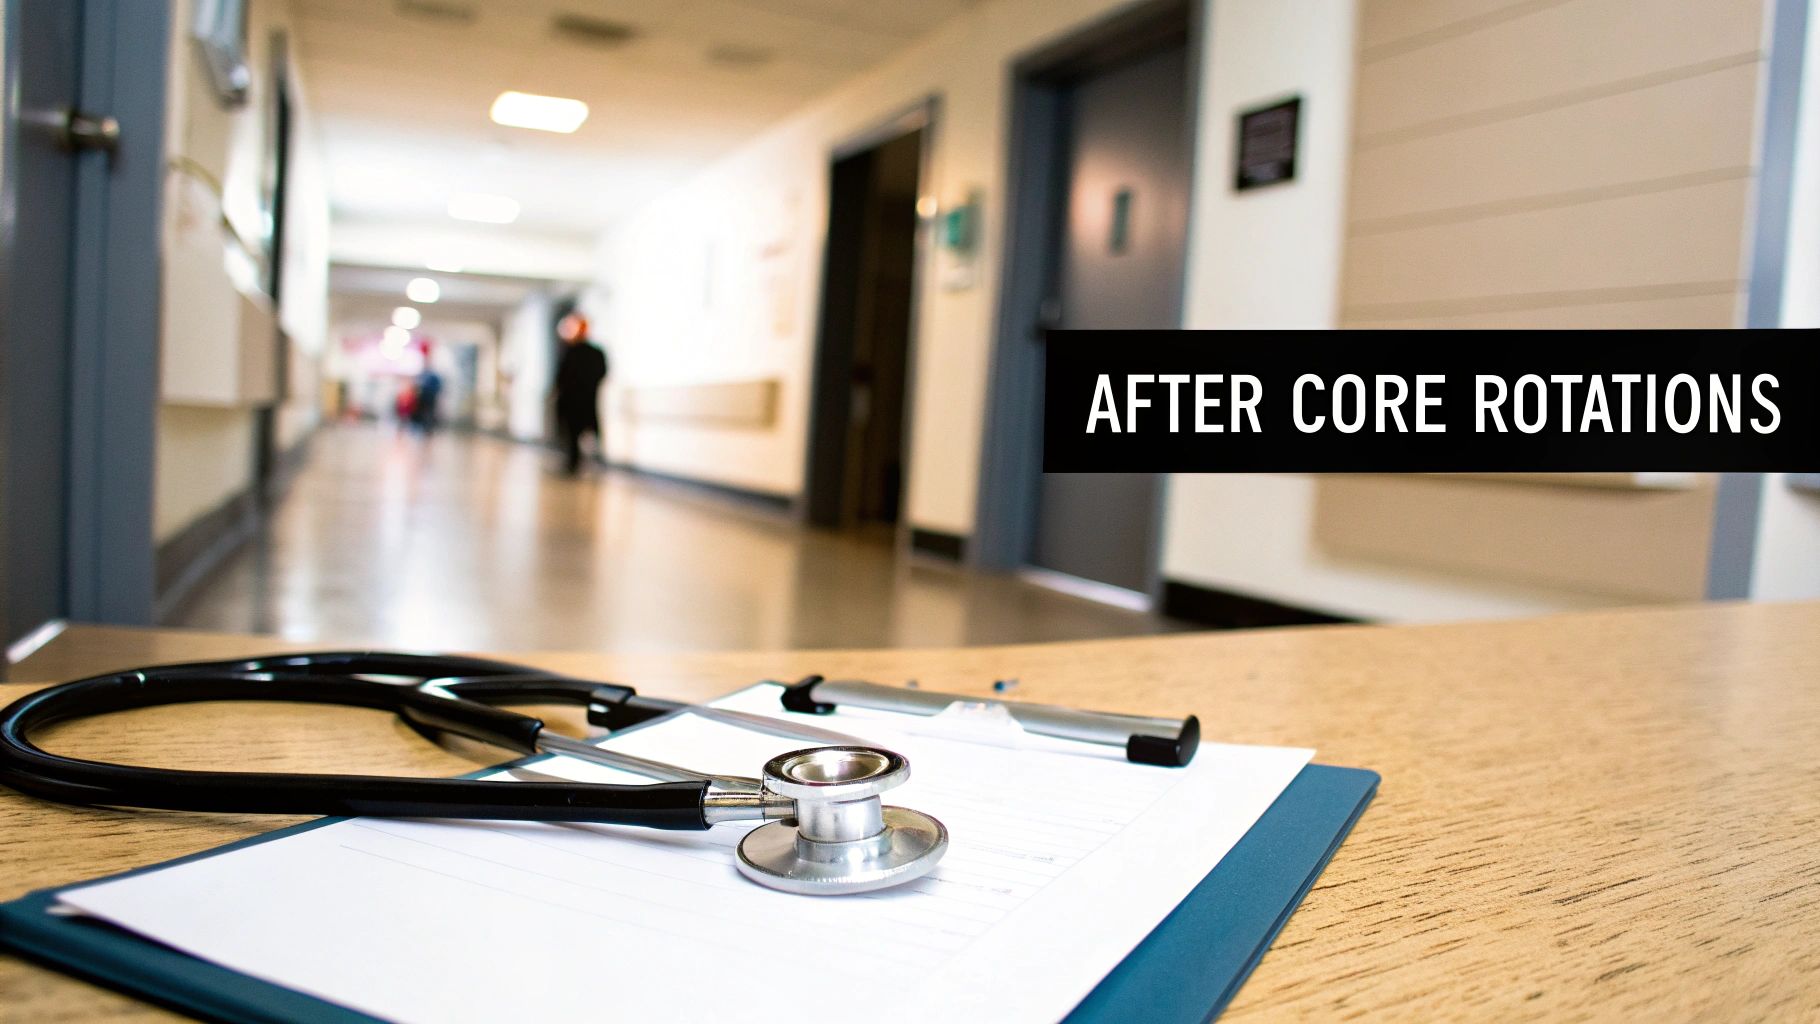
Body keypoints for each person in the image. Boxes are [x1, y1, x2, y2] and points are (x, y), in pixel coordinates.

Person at [552, 313, 607, 475]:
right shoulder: (573, 351)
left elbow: (562, 377)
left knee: (580, 431)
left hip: (580, 400)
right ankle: (575, 462)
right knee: (576, 432)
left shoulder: (578, 352)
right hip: (579, 400)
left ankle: (583, 462)